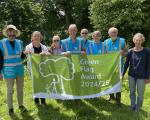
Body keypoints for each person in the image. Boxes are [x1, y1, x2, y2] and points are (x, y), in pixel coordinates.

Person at [0, 25, 26, 116]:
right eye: (9, 32)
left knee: (20, 89)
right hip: (8, 71)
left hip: (19, 70)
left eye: (13, 32)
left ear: (15, 33)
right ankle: (10, 108)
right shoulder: (1, 43)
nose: (11, 34)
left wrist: (26, 53)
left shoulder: (20, 42)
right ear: (7, 33)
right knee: (10, 90)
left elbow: (21, 56)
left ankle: (21, 105)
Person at [121, 33, 150, 112]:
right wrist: (122, 74)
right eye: (137, 40)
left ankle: (138, 107)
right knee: (132, 92)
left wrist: (148, 77)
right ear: (134, 41)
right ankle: (133, 105)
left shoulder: (147, 51)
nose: (138, 42)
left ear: (142, 41)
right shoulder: (130, 51)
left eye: (140, 40)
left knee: (140, 94)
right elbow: (126, 63)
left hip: (142, 76)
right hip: (131, 75)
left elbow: (148, 65)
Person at [25, 31, 48, 106]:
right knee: (35, 84)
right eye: (35, 36)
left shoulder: (44, 47)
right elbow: (26, 56)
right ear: (32, 37)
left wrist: (45, 53)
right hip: (33, 68)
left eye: (38, 36)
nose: (37, 37)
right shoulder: (28, 47)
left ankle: (43, 101)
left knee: (42, 84)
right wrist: (27, 52)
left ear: (40, 38)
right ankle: (36, 101)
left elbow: (48, 55)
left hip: (42, 68)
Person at [104, 27, 126, 106]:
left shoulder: (122, 41)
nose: (113, 34)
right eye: (111, 32)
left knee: (118, 83)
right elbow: (103, 55)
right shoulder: (105, 42)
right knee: (110, 82)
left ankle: (118, 100)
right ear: (109, 34)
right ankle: (111, 97)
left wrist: (122, 52)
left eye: (114, 32)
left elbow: (126, 53)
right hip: (109, 66)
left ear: (117, 33)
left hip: (119, 66)